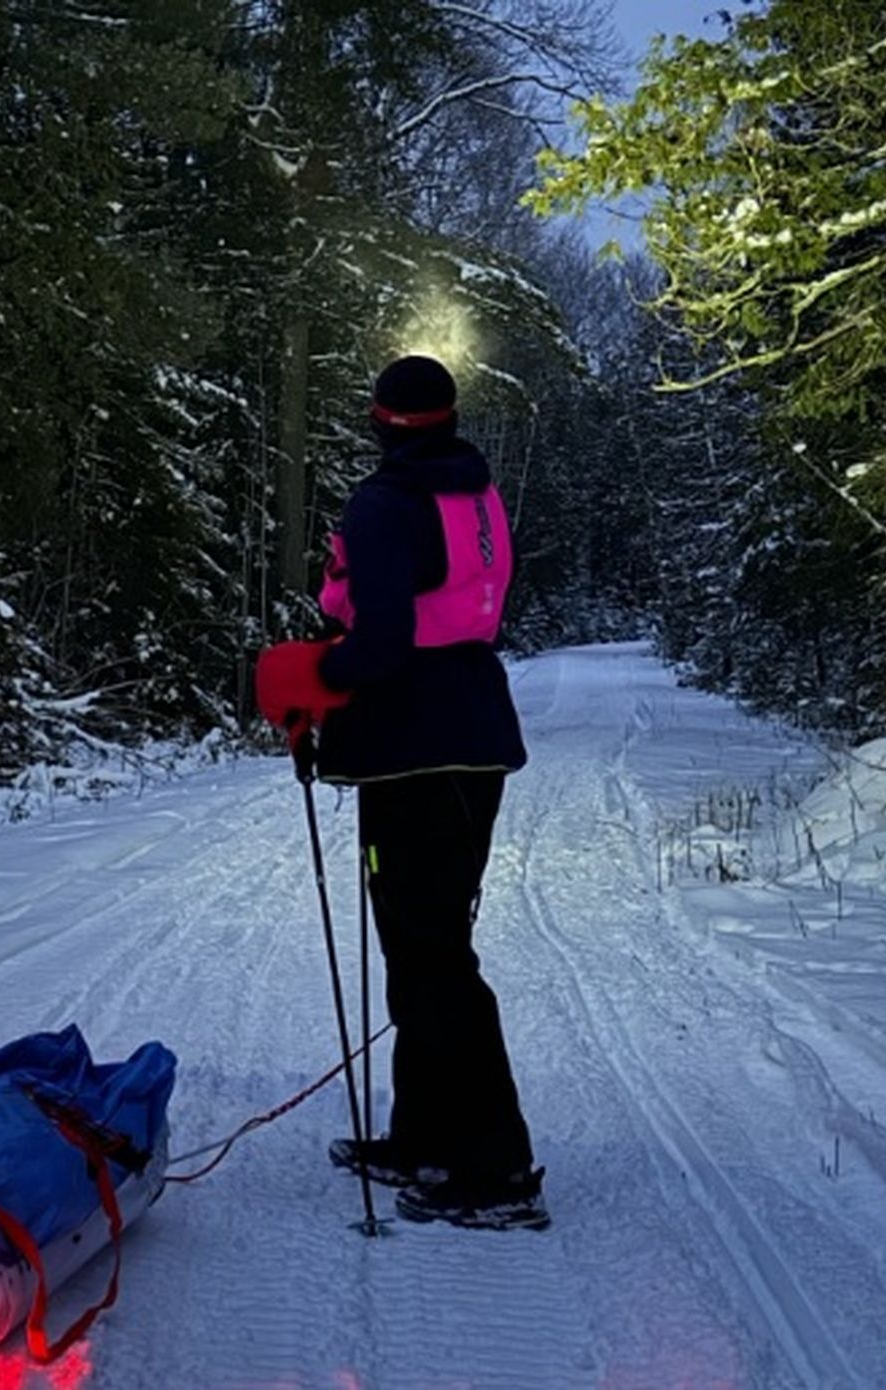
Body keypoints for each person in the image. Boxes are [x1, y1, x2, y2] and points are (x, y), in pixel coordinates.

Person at [255, 355, 545, 1231]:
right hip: (472, 732)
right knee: (427, 944)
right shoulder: (477, 493)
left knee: (433, 954)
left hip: (415, 741)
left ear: (379, 421)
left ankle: (496, 1170)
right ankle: (424, 1134)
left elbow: (380, 641)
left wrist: (313, 675)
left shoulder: (383, 505)